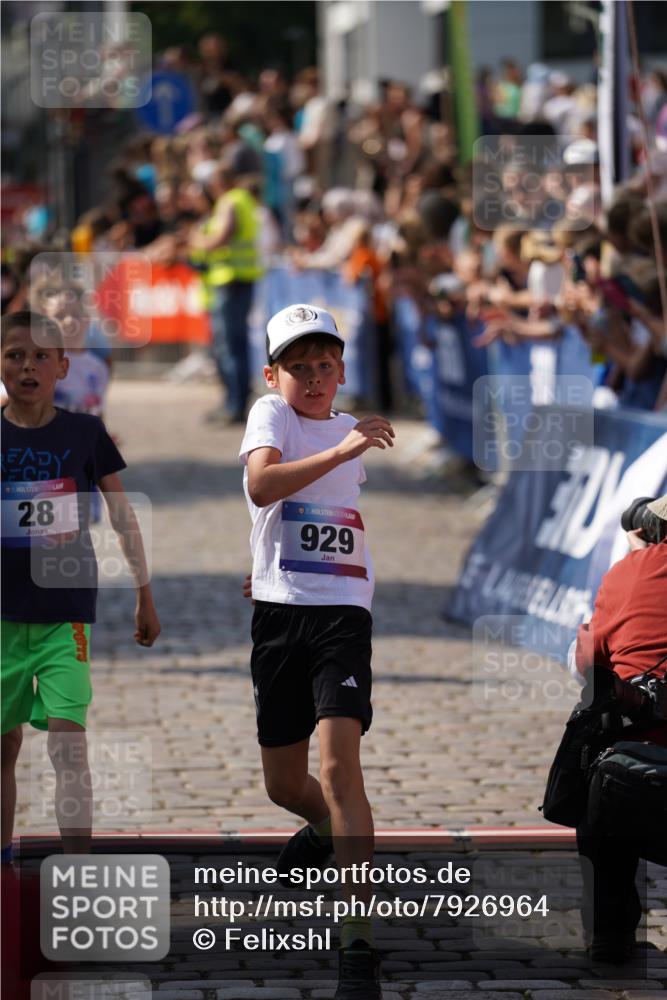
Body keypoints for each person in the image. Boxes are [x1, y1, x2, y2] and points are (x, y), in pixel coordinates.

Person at [239, 304, 395, 999]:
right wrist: (341, 451)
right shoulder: (271, 417)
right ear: (273, 374)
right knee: (283, 783)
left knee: (339, 765)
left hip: (341, 614)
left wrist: (347, 444)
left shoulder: (349, 425)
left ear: (340, 369)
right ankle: (328, 829)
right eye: (296, 366)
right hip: (277, 615)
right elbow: (262, 485)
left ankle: (356, 940)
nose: (311, 377)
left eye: (323, 364)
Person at [0, 311, 160, 860]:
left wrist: (145, 592)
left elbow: (122, 516)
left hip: (65, 616)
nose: (27, 367)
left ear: (64, 366)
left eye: (41, 356)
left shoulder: (84, 434)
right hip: (1, 617)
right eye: (14, 355)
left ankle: (77, 866)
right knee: (4, 746)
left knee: (68, 745)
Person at [570, 504, 667, 962]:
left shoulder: (632, 570)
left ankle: (610, 936)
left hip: (640, 778)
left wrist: (638, 562)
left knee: (598, 747)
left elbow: (587, 666)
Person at [189, 165, 263, 425]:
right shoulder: (244, 200)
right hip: (240, 279)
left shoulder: (230, 201)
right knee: (234, 346)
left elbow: (222, 236)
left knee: (229, 347)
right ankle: (234, 402)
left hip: (230, 280)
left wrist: (198, 240)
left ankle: (235, 405)